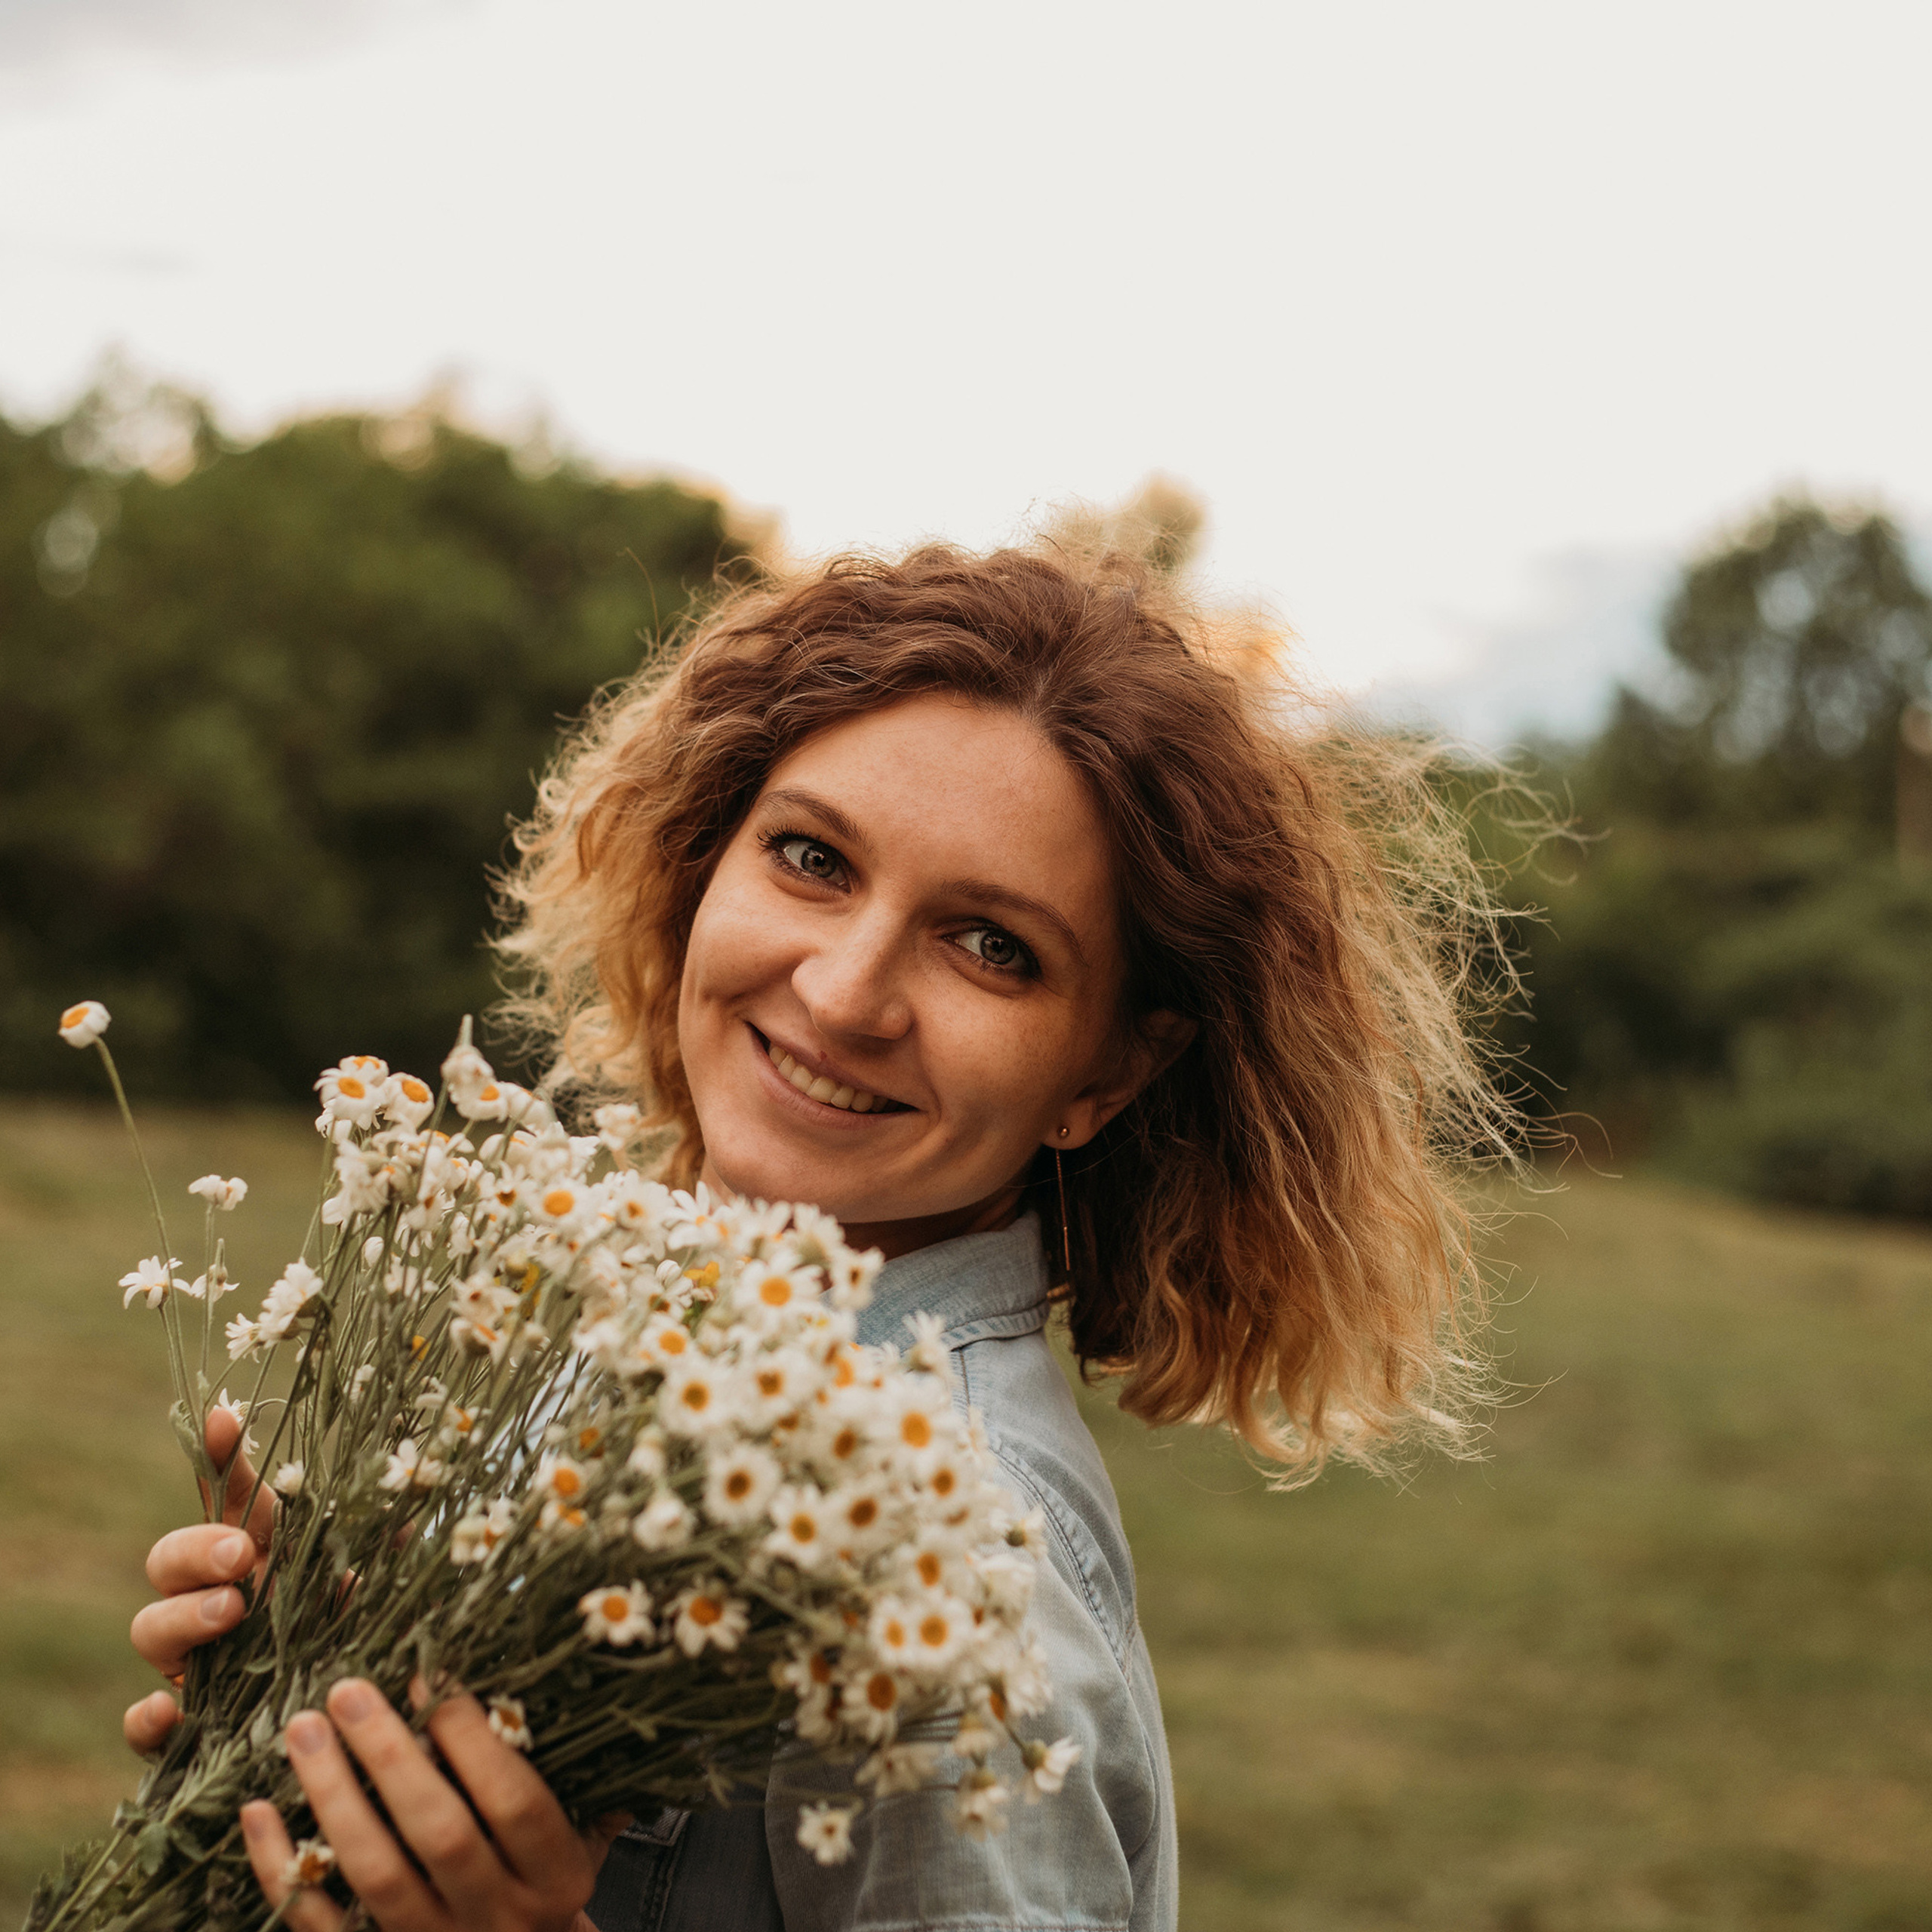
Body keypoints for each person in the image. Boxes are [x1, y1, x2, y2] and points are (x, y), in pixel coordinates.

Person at [123, 539, 1516, 1931]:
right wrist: (316, 1699)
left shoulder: (948, 1556)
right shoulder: (634, 1318)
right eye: (811, 858)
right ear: (700, 861)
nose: (847, 993)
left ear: (1107, 1077)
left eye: (993, 947)